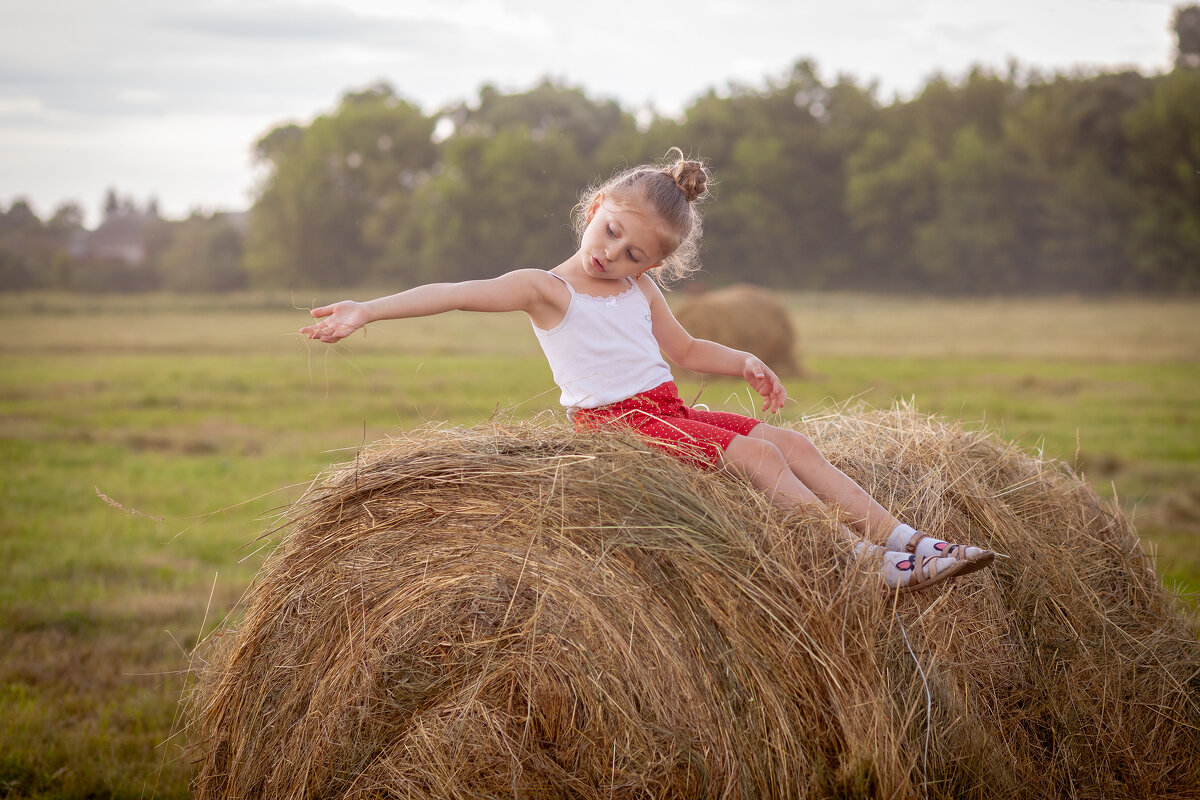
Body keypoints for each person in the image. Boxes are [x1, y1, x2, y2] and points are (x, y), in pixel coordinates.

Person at [301, 148, 995, 593]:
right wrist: (368, 309)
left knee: (793, 444)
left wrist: (747, 358)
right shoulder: (547, 289)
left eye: (634, 253)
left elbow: (688, 352)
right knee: (756, 454)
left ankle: (908, 540)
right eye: (610, 233)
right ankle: (861, 564)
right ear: (594, 208)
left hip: (666, 412)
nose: (613, 255)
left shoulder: (639, 292)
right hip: (615, 428)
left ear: (654, 266)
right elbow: (452, 295)